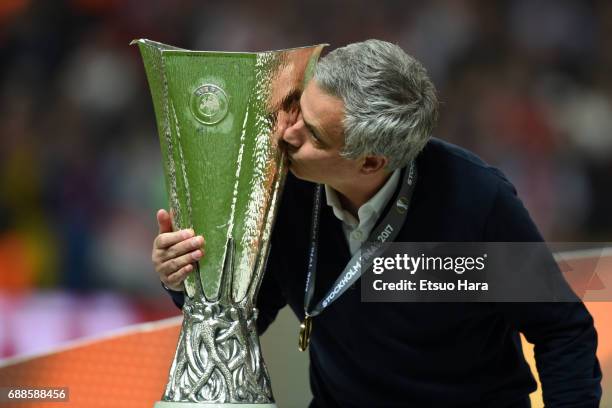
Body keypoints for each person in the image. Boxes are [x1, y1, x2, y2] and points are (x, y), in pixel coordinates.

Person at [152, 40, 601, 407]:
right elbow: (249, 313)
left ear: (370, 161)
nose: (287, 134)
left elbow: (562, 330)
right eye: (296, 111)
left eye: (313, 133)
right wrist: (188, 275)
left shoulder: (477, 200)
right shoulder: (283, 184)